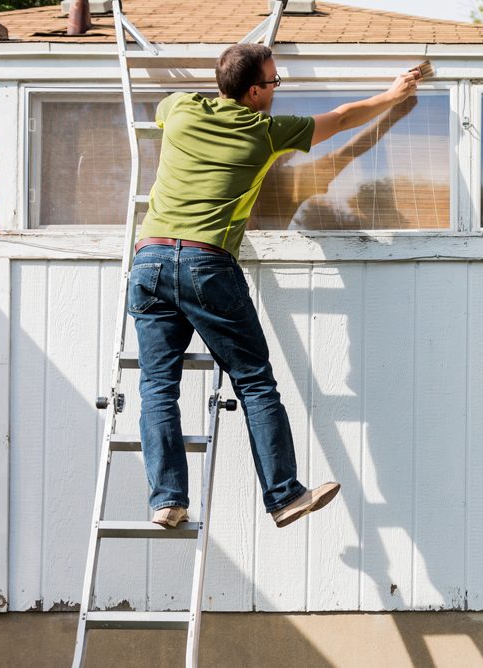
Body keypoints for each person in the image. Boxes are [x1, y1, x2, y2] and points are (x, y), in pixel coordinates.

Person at [128, 43, 422, 528]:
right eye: (274, 82)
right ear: (253, 92)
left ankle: (167, 500)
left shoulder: (180, 108)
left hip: (149, 260)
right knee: (254, 382)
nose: (278, 89)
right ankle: (285, 495)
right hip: (205, 263)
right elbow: (346, 119)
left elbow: (161, 111)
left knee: (158, 387)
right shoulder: (264, 132)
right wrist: (393, 95)